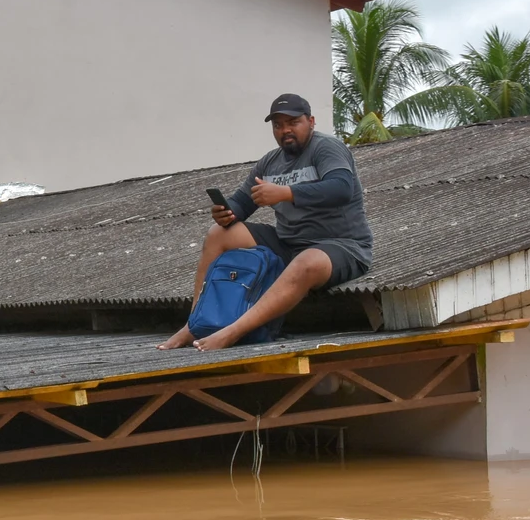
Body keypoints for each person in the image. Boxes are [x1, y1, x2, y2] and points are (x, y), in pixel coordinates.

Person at [158, 93, 373, 351]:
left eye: (293, 122)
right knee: (219, 233)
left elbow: (341, 188)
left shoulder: (326, 147)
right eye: (278, 125)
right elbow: (242, 203)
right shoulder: (270, 162)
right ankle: (195, 324)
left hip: (341, 246)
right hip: (288, 243)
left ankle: (231, 333)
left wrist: (288, 193)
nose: (285, 130)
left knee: (306, 261)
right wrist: (226, 213)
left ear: (311, 121)